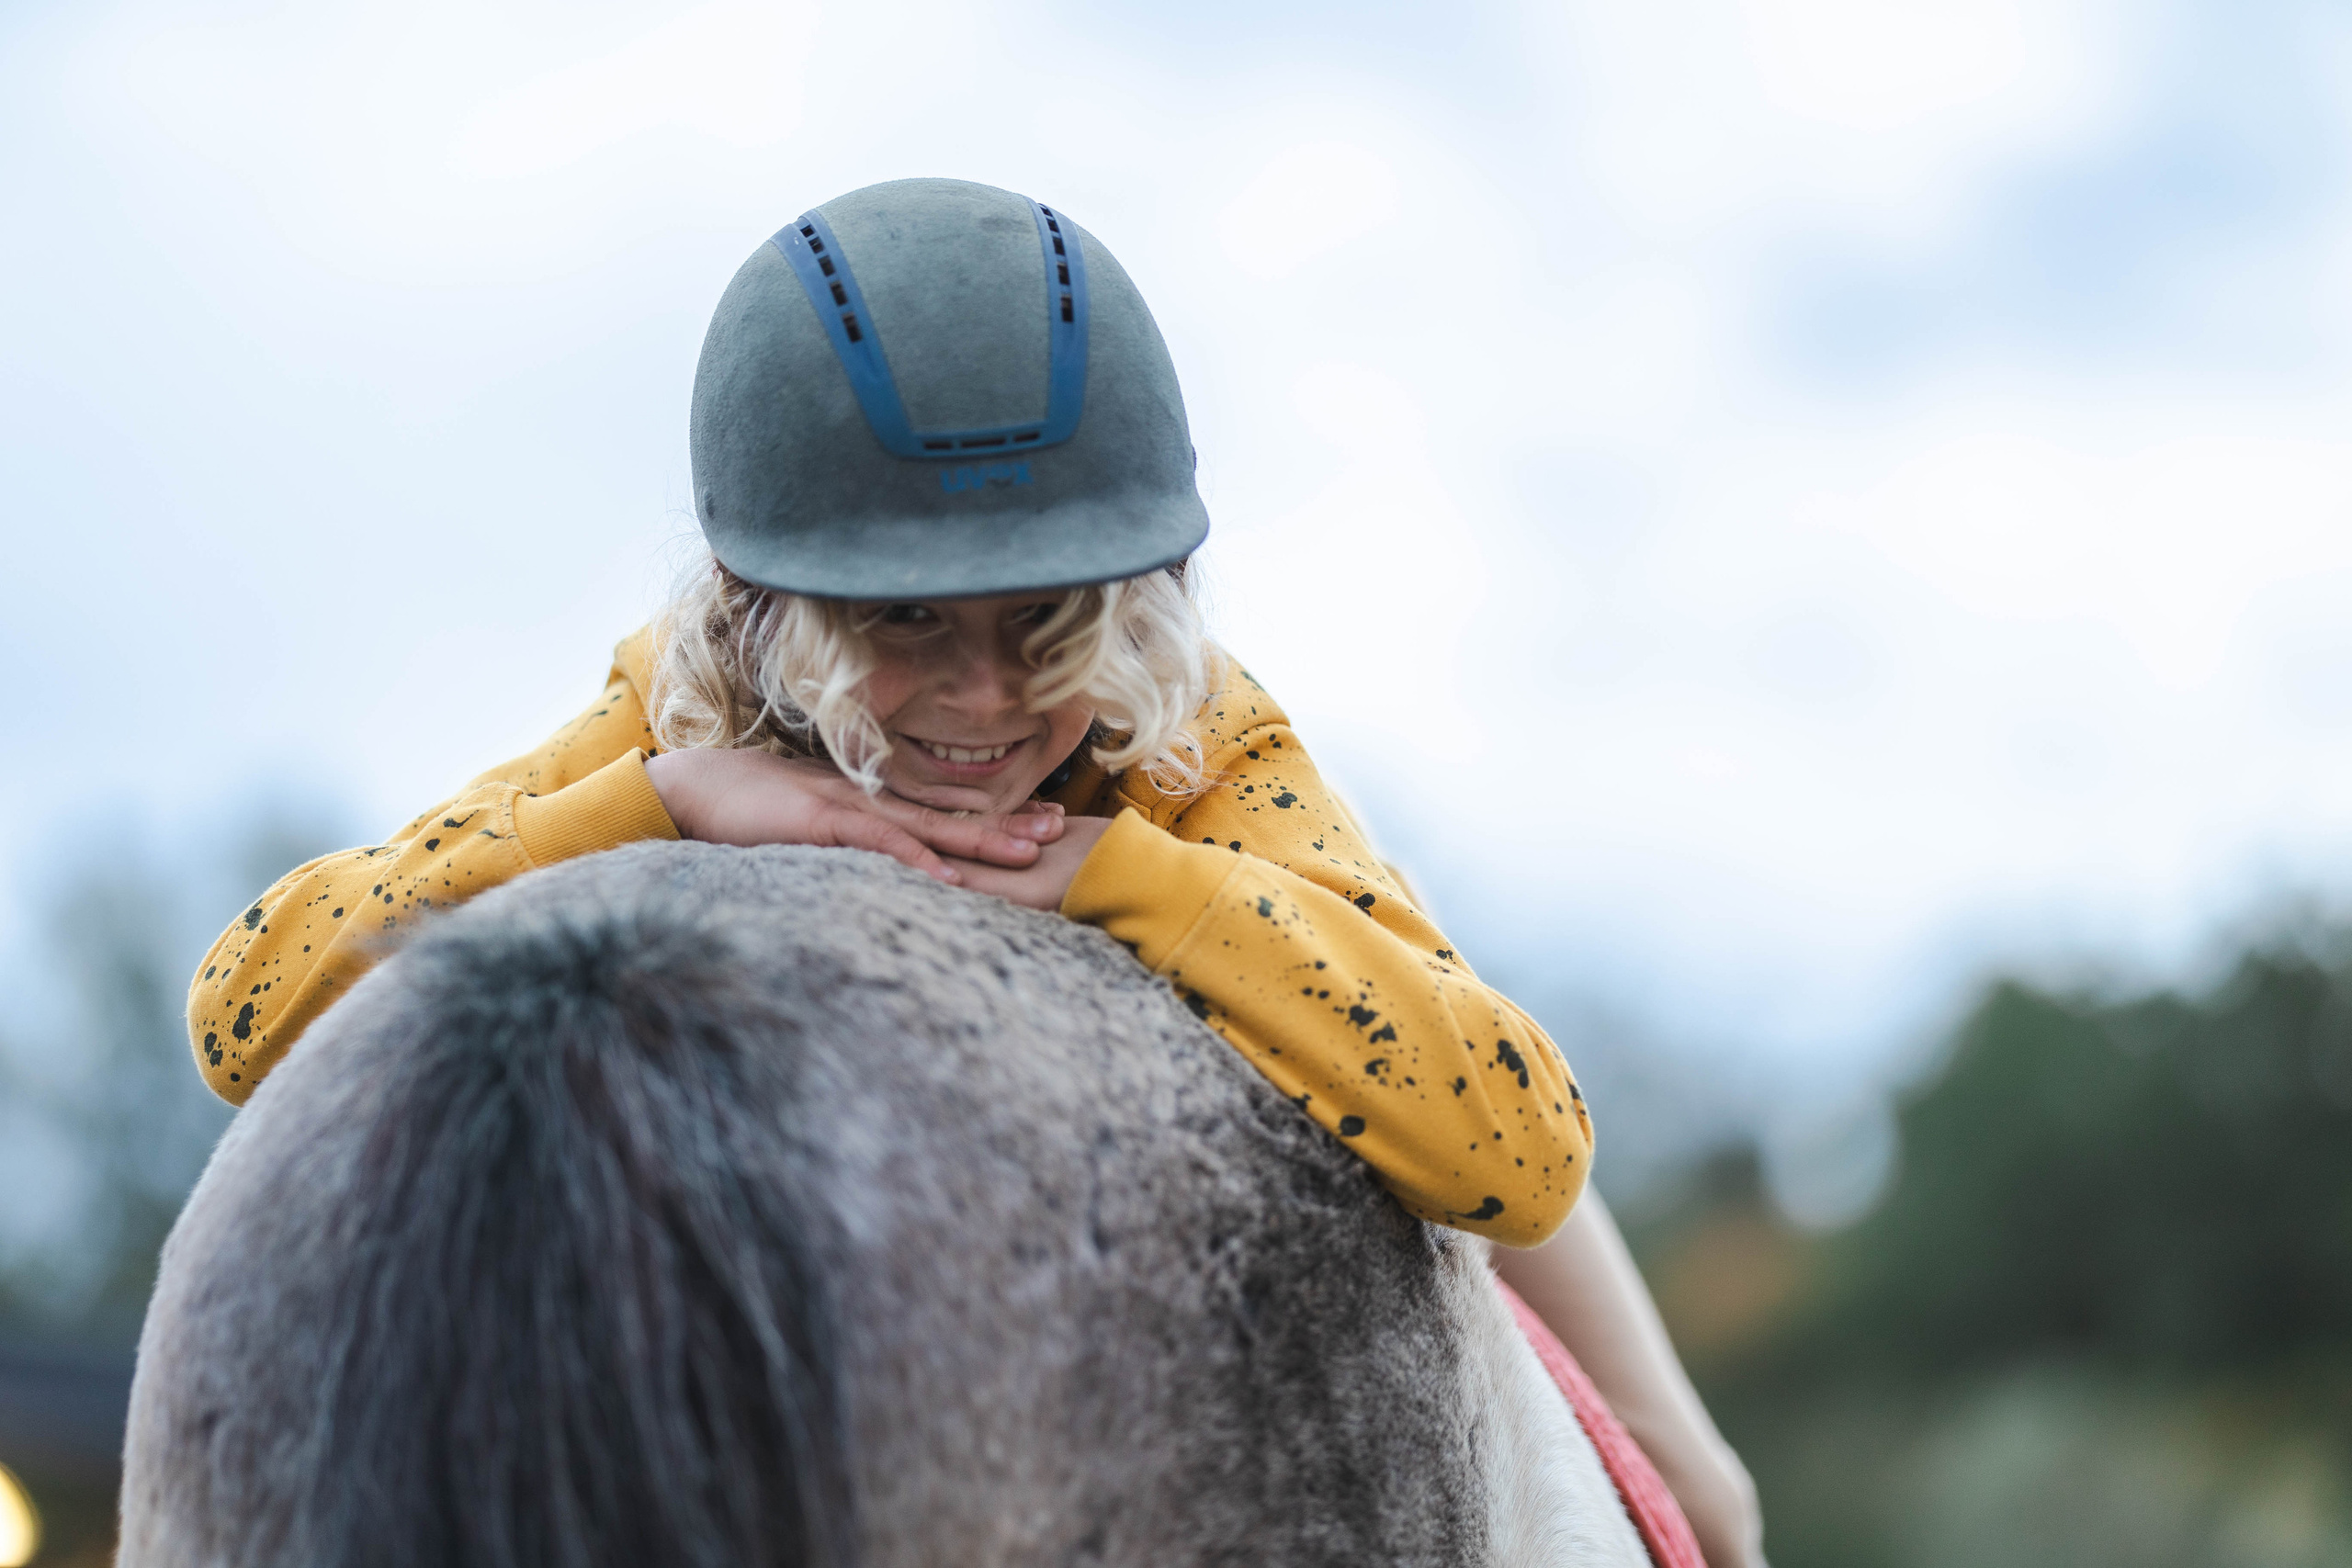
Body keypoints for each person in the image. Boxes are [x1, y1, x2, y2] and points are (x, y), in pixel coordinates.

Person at [186, 177, 1760, 1566]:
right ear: (760, 611)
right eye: (906, 625)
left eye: (1044, 624)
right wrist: (653, 797)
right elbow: (247, 1015)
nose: (985, 699)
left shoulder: (1197, 735)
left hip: (1324, 973)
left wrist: (1133, 873)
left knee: (1712, 1500)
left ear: (1138, 599)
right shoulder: (675, 700)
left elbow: (1517, 1149)